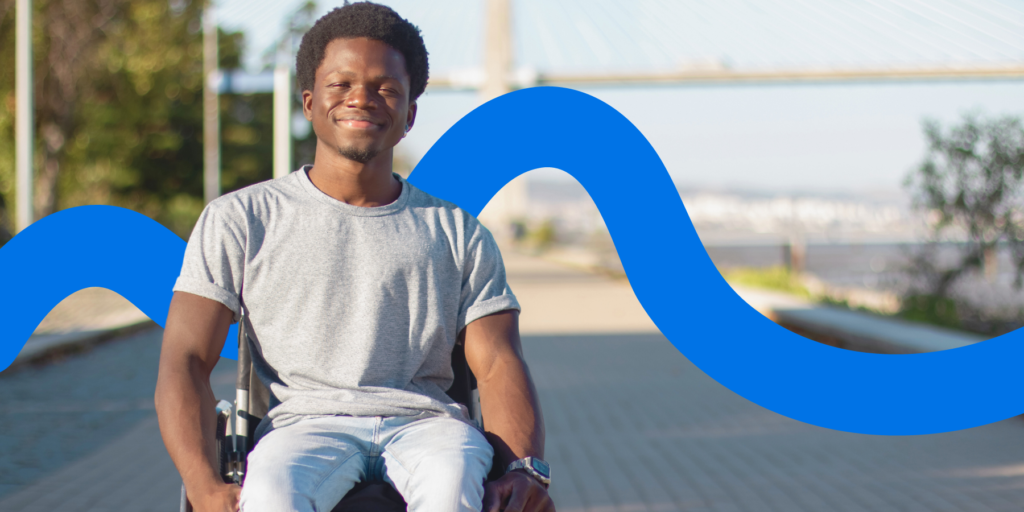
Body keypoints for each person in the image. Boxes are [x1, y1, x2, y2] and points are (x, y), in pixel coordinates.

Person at [154, 3, 555, 511]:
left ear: (409, 114)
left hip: (428, 428)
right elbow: (184, 360)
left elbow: (498, 364)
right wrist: (202, 483)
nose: (361, 99)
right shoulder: (240, 219)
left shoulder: (458, 233)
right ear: (309, 102)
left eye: (385, 88)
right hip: (301, 426)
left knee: (454, 486)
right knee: (270, 496)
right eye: (340, 85)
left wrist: (525, 468)